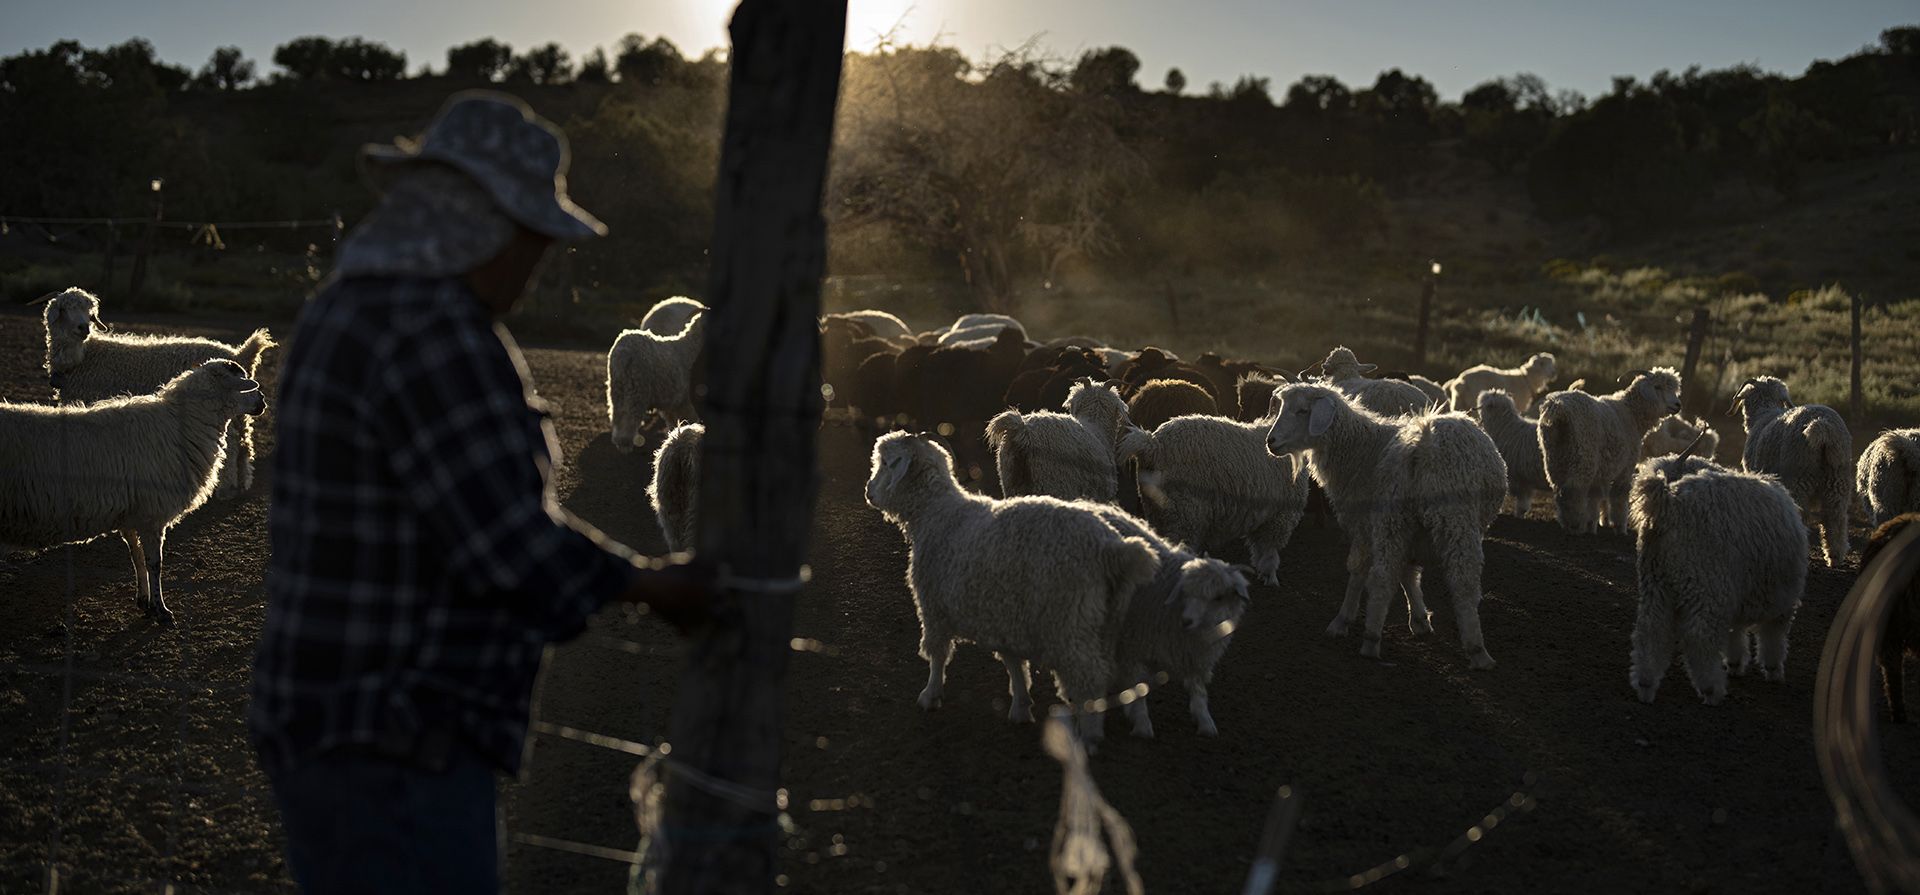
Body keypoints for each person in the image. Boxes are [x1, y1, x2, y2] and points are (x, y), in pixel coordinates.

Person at [249, 91, 712, 893]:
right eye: (530, 239)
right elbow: (506, 542)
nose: (536, 264)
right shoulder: (431, 329)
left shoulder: (346, 307)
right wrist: (650, 585)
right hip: (400, 733)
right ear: (479, 222)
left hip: (330, 714)